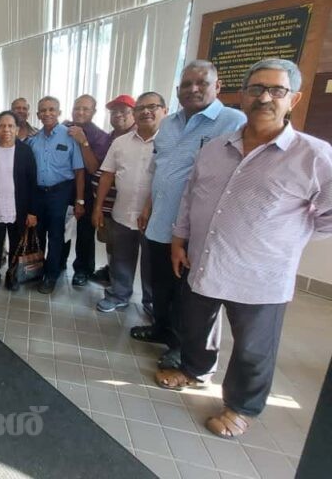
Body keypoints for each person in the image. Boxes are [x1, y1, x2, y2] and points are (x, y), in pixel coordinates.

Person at [154, 59, 332, 439]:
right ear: (243, 95)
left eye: (277, 90)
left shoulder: (314, 156)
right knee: (196, 324)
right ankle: (195, 370)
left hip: (262, 274)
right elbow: (190, 196)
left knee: (253, 346)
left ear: (294, 99)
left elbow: (328, 216)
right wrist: (179, 238)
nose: (265, 98)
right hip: (205, 259)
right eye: (256, 89)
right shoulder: (216, 148)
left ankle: (241, 406)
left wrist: (283, 240)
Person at [130, 60, 246, 371]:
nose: (193, 89)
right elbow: (159, 169)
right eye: (186, 84)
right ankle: (162, 329)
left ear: (217, 86)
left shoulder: (233, 122)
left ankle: (183, 349)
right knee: (161, 285)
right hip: (160, 222)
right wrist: (148, 206)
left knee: (190, 294)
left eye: (202, 83)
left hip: (195, 231)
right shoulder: (169, 124)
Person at [93, 92, 167, 313]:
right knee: (121, 257)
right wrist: (98, 207)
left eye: (152, 107)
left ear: (165, 111)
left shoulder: (171, 143)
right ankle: (119, 295)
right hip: (122, 212)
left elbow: (168, 179)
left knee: (152, 262)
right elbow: (107, 175)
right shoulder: (120, 142)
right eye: (140, 108)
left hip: (156, 216)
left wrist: (148, 207)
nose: (146, 112)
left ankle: (151, 303)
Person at [0, 111, 38, 293]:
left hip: (18, 208)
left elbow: (32, 183)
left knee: (16, 243)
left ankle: (12, 274)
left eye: (11, 126)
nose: (6, 129)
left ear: (17, 129)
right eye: (2, 126)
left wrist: (32, 212)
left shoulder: (25, 151)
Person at [28, 96, 86, 294]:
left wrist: (79, 200)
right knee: (38, 234)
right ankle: (37, 270)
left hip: (60, 193)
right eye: (43, 110)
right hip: (38, 194)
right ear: (38, 115)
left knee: (56, 236)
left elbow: (79, 171)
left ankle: (51, 276)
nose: (47, 113)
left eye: (51, 109)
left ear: (59, 112)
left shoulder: (70, 136)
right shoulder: (33, 140)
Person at [62, 94, 112, 286]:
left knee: (84, 233)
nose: (80, 112)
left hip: (89, 192)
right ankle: (59, 262)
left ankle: (83, 269)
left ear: (94, 112)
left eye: (85, 109)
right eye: (77, 108)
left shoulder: (101, 137)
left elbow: (92, 168)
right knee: (62, 228)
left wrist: (83, 142)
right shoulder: (64, 128)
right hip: (64, 188)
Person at [90, 95, 137, 287]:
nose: (118, 115)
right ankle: (111, 272)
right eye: (114, 112)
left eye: (123, 111)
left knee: (123, 248)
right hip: (105, 204)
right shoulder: (109, 138)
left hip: (125, 206)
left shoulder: (139, 138)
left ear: (134, 113)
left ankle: (120, 286)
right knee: (111, 242)